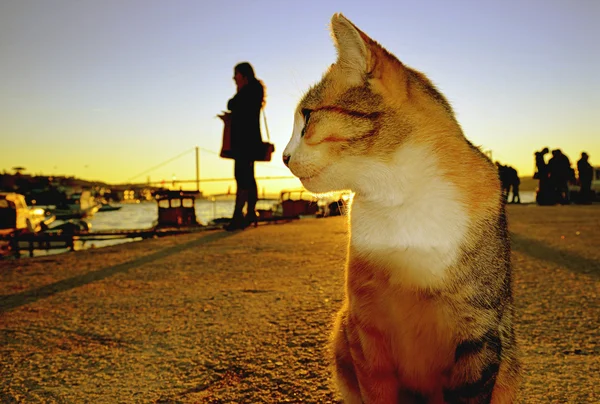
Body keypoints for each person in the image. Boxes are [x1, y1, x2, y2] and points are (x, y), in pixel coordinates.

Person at [223, 62, 266, 230]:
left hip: (245, 143)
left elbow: (232, 104)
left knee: (242, 178)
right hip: (248, 142)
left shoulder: (251, 90)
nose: (234, 78)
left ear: (244, 75)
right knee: (247, 177)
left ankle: (238, 217)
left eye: (236, 74)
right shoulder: (253, 90)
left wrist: (239, 90)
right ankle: (248, 214)